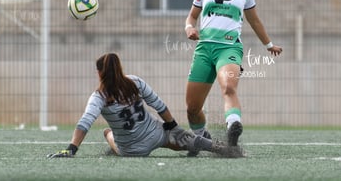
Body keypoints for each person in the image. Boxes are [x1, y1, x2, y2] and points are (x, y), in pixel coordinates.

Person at [48, 53, 241, 158]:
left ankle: (111, 140)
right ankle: (220, 147)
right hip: (156, 134)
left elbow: (85, 123)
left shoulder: (99, 96)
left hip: (131, 150)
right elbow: (160, 106)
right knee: (182, 140)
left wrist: (71, 148)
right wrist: (175, 128)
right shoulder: (135, 82)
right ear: (119, 68)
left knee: (107, 132)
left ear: (100, 73)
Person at [184, 0, 282, 155]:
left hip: (229, 48)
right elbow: (191, 18)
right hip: (204, 50)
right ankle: (203, 138)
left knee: (228, 86)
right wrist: (189, 28)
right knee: (192, 108)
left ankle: (233, 127)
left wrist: (269, 45)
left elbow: (254, 21)